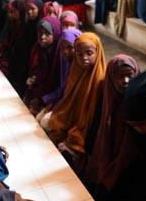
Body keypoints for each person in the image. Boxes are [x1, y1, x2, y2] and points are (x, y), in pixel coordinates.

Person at [47, 32, 106, 172]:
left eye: (89, 53)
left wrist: (72, 137)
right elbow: (69, 103)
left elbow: (90, 117)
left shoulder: (100, 81)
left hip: (85, 132)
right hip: (72, 124)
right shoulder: (76, 71)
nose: (84, 58)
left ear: (98, 52)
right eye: (79, 54)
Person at [85, 55, 140, 192]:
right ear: (110, 77)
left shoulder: (139, 101)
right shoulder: (105, 94)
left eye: (130, 76)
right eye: (120, 77)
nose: (126, 81)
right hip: (106, 152)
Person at [39, 28, 82, 114]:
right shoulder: (64, 62)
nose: (65, 51)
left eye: (70, 47)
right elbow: (62, 89)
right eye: (62, 47)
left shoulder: (80, 67)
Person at [25, 16, 63, 115]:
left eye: (47, 34)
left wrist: (43, 100)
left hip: (56, 98)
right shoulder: (40, 50)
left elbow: (62, 87)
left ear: (55, 33)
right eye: (40, 33)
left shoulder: (61, 54)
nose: (42, 37)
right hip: (43, 93)